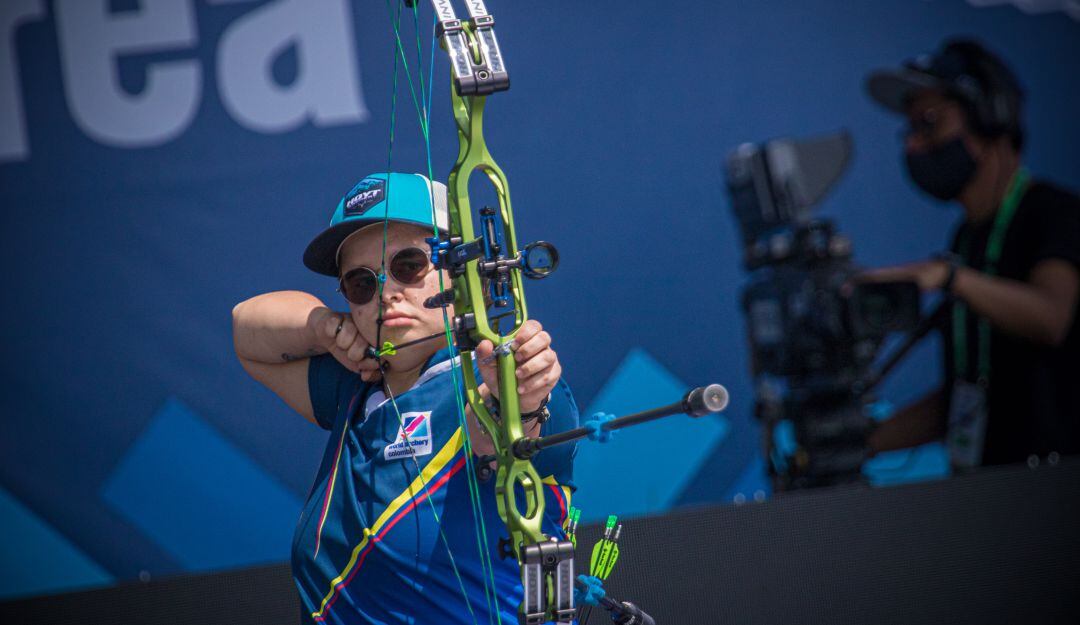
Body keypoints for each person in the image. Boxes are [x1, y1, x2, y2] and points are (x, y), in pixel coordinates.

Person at [232, 172, 578, 624]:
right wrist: (327, 328)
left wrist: (522, 397)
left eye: (409, 265)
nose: (386, 293)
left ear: (464, 269)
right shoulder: (355, 386)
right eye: (361, 283)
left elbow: (503, 429)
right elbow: (246, 333)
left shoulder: (491, 376)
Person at [862, 39, 1080, 470]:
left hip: (1056, 495)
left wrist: (949, 278)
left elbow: (1051, 317)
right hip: (987, 490)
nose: (914, 145)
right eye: (910, 130)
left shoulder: (1054, 214)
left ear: (987, 119)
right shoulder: (966, 239)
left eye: (929, 123)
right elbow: (968, 398)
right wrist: (860, 444)